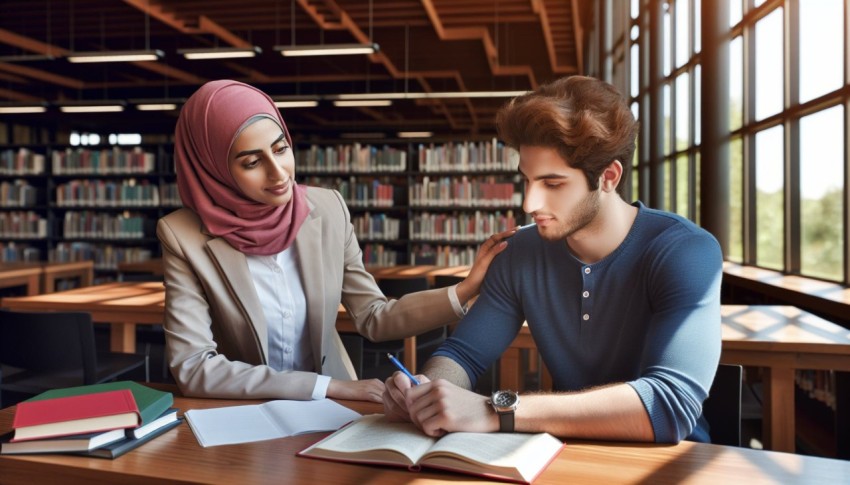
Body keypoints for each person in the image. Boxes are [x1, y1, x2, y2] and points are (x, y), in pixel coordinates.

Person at [382, 75, 723, 444]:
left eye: (553, 184)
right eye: (527, 181)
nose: (529, 204)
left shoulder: (685, 250)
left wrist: (496, 409)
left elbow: (670, 406)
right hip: (559, 455)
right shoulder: (520, 254)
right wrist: (430, 393)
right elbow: (463, 354)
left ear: (608, 176)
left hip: (668, 464)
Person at [157, 79, 515, 403]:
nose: (279, 172)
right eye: (252, 162)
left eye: (281, 149)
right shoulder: (182, 236)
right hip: (245, 408)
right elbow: (193, 366)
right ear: (213, 169)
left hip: (335, 408)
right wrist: (326, 386)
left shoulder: (328, 209)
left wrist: (465, 289)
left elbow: (374, 317)